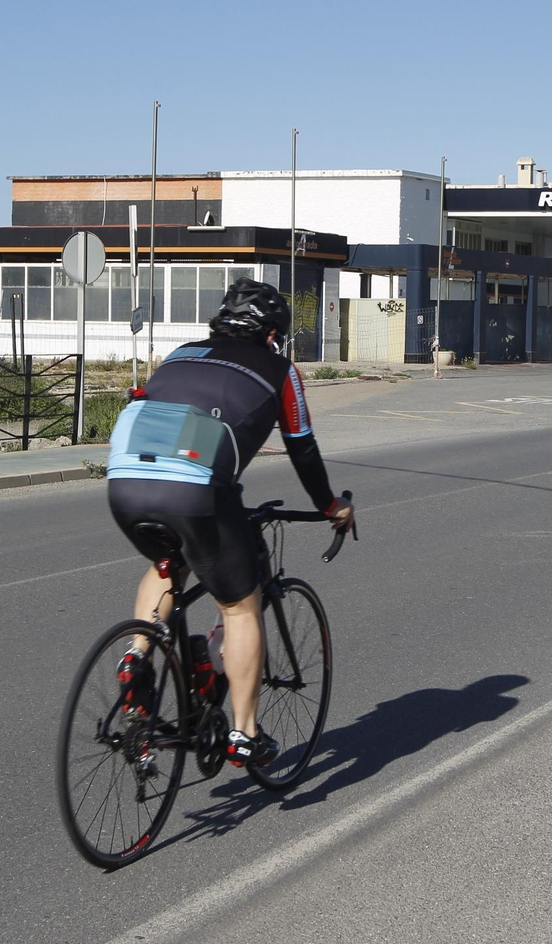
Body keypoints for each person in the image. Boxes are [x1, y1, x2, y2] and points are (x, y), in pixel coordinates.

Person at [106, 279, 354, 767]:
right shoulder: (280, 370)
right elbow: (301, 446)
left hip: (125, 479)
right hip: (195, 489)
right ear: (272, 335)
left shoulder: (180, 354)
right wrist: (330, 506)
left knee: (167, 563)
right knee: (241, 607)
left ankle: (138, 652)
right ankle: (244, 733)